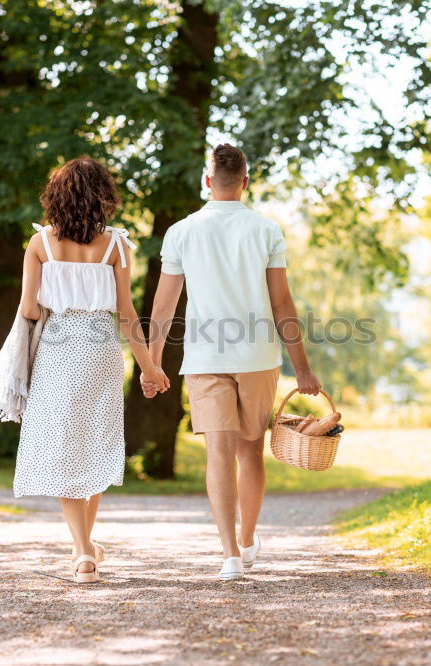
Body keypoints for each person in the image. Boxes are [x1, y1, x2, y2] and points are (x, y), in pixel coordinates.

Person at [141, 143, 321, 580]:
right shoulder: (266, 230)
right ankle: (246, 540)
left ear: (208, 180)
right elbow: (282, 304)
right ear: (245, 181)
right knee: (250, 450)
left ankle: (230, 558)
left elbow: (164, 306)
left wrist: (153, 363)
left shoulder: (181, 231)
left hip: (204, 356)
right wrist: (303, 368)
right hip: (257, 356)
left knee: (217, 453)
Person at [14, 155, 168, 584]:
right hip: (100, 350)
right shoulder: (116, 246)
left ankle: (83, 553)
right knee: (95, 442)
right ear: (103, 197)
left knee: (65, 445)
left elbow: (29, 308)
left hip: (57, 351)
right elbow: (126, 313)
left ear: (57, 197)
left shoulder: (40, 244)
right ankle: (88, 547)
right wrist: (151, 369)